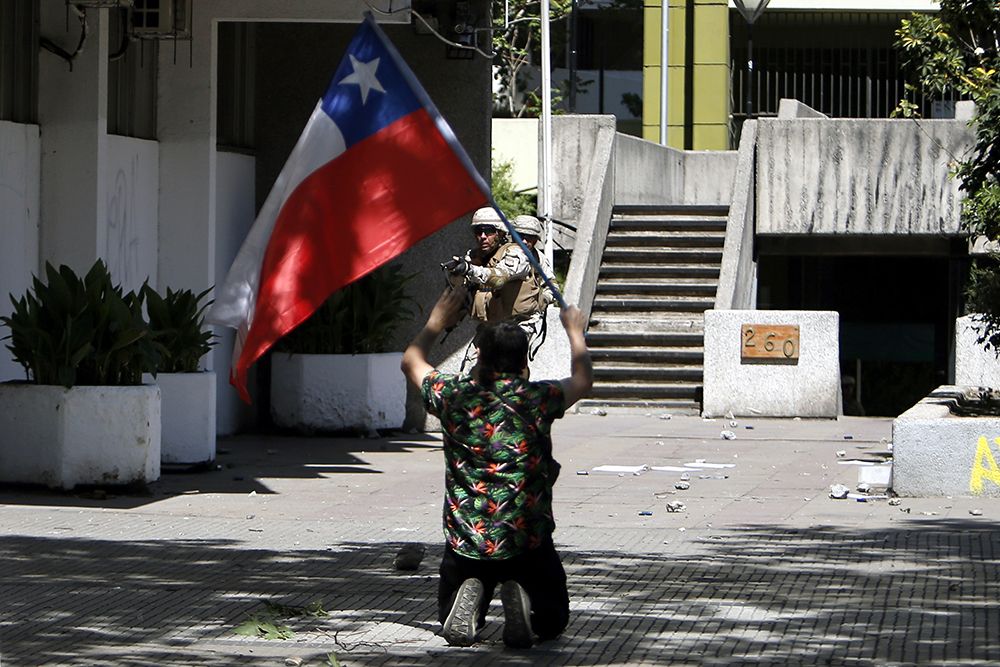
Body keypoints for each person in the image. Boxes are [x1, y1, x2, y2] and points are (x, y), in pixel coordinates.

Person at [401, 287, 593, 649]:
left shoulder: (453, 395)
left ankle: (472, 596)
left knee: (447, 617)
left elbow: (411, 361)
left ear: (479, 359)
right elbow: (584, 381)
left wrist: (435, 323)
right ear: (525, 364)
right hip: (527, 539)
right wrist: (574, 333)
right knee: (552, 623)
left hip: (467, 539)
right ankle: (519, 590)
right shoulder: (537, 398)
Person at [442, 208, 555, 369]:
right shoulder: (475, 256)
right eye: (478, 231)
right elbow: (462, 289)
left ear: (501, 233)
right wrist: (457, 274)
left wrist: (542, 300)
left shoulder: (518, 254)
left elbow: (500, 278)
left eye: (488, 231)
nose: (482, 236)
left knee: (508, 371)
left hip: (517, 325)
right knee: (470, 370)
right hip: (491, 324)